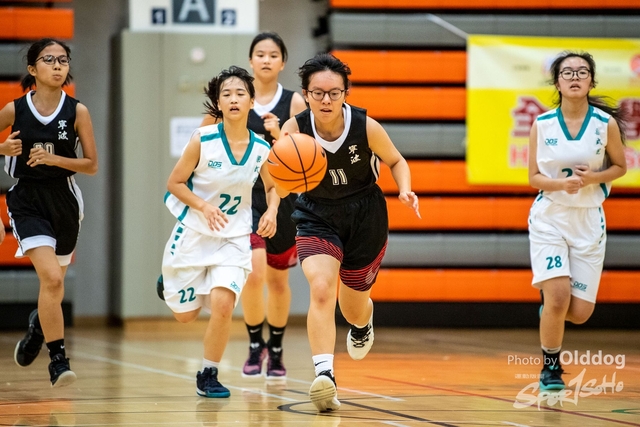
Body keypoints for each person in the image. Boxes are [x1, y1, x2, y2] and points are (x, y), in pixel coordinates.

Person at [278, 53, 420, 412]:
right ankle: (324, 376)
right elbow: (276, 175)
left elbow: (396, 160)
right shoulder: (294, 130)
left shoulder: (365, 126)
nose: (326, 100)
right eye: (318, 93)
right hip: (316, 214)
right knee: (321, 288)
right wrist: (278, 188)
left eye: (334, 93)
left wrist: (405, 189)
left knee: (352, 308)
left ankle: (362, 322)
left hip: (364, 215)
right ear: (306, 94)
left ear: (345, 93)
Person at [160, 66, 279, 398]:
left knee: (224, 304)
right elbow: (174, 183)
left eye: (241, 93)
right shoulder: (203, 140)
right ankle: (167, 282)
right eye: (226, 94)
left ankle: (208, 374)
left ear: (252, 101)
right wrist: (203, 206)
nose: (234, 99)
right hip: (194, 232)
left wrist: (271, 210)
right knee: (186, 316)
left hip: (234, 237)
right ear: (218, 102)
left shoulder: (261, 147)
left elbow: (273, 187)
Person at [200, 32, 306, 380]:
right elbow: (202, 143)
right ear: (250, 61)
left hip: (281, 198)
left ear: (283, 62)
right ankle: (255, 343)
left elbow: (307, 154)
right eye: (260, 54)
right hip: (244, 200)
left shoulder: (293, 103)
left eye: (273, 54)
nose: (266, 60)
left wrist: (279, 135)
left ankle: (275, 349)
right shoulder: (233, 100)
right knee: (254, 274)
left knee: (278, 282)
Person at [0, 38, 98, 387]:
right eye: (49, 60)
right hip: (27, 200)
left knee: (52, 289)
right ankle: (58, 360)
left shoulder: (77, 111)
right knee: (53, 280)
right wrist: (2, 147)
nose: (57, 65)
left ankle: (37, 328)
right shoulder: (14, 109)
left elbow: (91, 164)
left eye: (63, 60)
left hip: (65, 201)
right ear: (32, 68)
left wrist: (56, 159)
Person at [528, 51, 627, 391]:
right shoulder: (542, 124)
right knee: (558, 298)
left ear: (591, 82)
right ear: (557, 82)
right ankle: (551, 368)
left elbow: (620, 167)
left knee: (579, 313)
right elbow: (534, 178)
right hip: (550, 217)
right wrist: (561, 184)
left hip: (588, 220)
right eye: (567, 72)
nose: (575, 77)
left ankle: (550, 310)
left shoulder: (604, 124)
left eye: (582, 72)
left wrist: (592, 178)